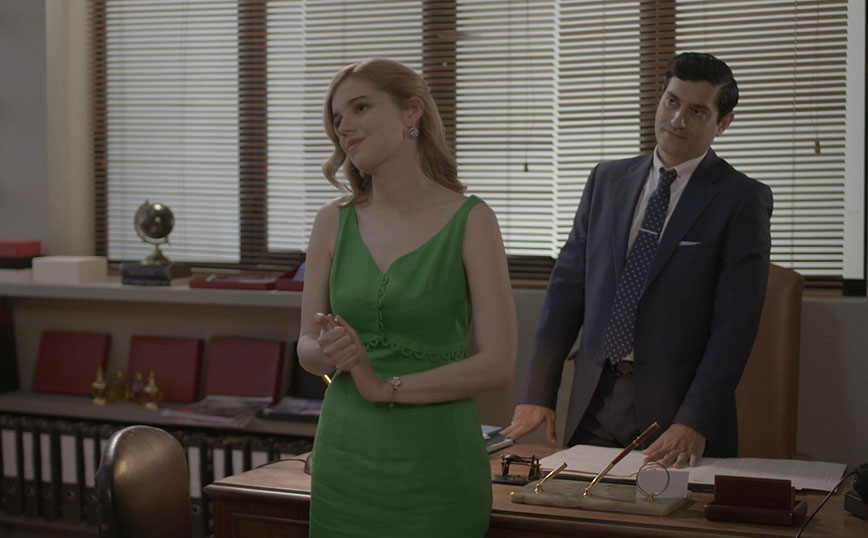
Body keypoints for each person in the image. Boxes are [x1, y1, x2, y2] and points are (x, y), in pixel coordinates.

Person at [501, 52, 772, 468]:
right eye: (671, 101)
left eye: (697, 111)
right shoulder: (606, 180)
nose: (677, 119)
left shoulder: (741, 199)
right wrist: (538, 392)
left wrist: (694, 420)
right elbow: (566, 292)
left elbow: (735, 327)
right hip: (594, 399)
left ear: (723, 123)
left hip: (676, 414)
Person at [297, 58, 517, 538]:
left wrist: (385, 387)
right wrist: (329, 350)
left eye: (360, 107)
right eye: (337, 118)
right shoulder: (331, 221)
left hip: (437, 465)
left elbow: (498, 364)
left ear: (411, 112)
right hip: (344, 463)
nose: (344, 127)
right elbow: (306, 347)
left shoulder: (473, 220)